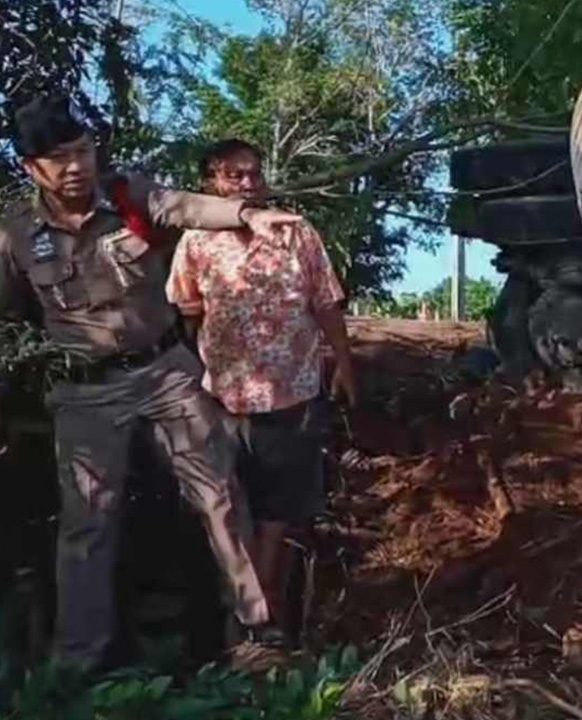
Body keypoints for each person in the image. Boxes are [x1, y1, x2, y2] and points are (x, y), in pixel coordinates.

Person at [0, 95, 297, 670]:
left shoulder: (126, 195)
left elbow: (183, 206)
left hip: (167, 375)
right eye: (59, 158)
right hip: (86, 392)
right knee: (87, 526)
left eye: (83, 151)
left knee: (220, 498)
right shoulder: (15, 236)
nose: (76, 167)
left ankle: (254, 637)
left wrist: (245, 214)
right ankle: (77, 662)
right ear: (31, 167)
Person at [167, 139, 356, 631]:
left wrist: (344, 364)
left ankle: (270, 615)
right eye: (234, 176)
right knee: (231, 510)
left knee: (283, 509)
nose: (248, 183)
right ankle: (242, 618)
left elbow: (325, 304)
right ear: (211, 183)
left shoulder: (296, 233)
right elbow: (189, 317)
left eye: (254, 173)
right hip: (224, 400)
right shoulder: (195, 243)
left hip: (292, 394)